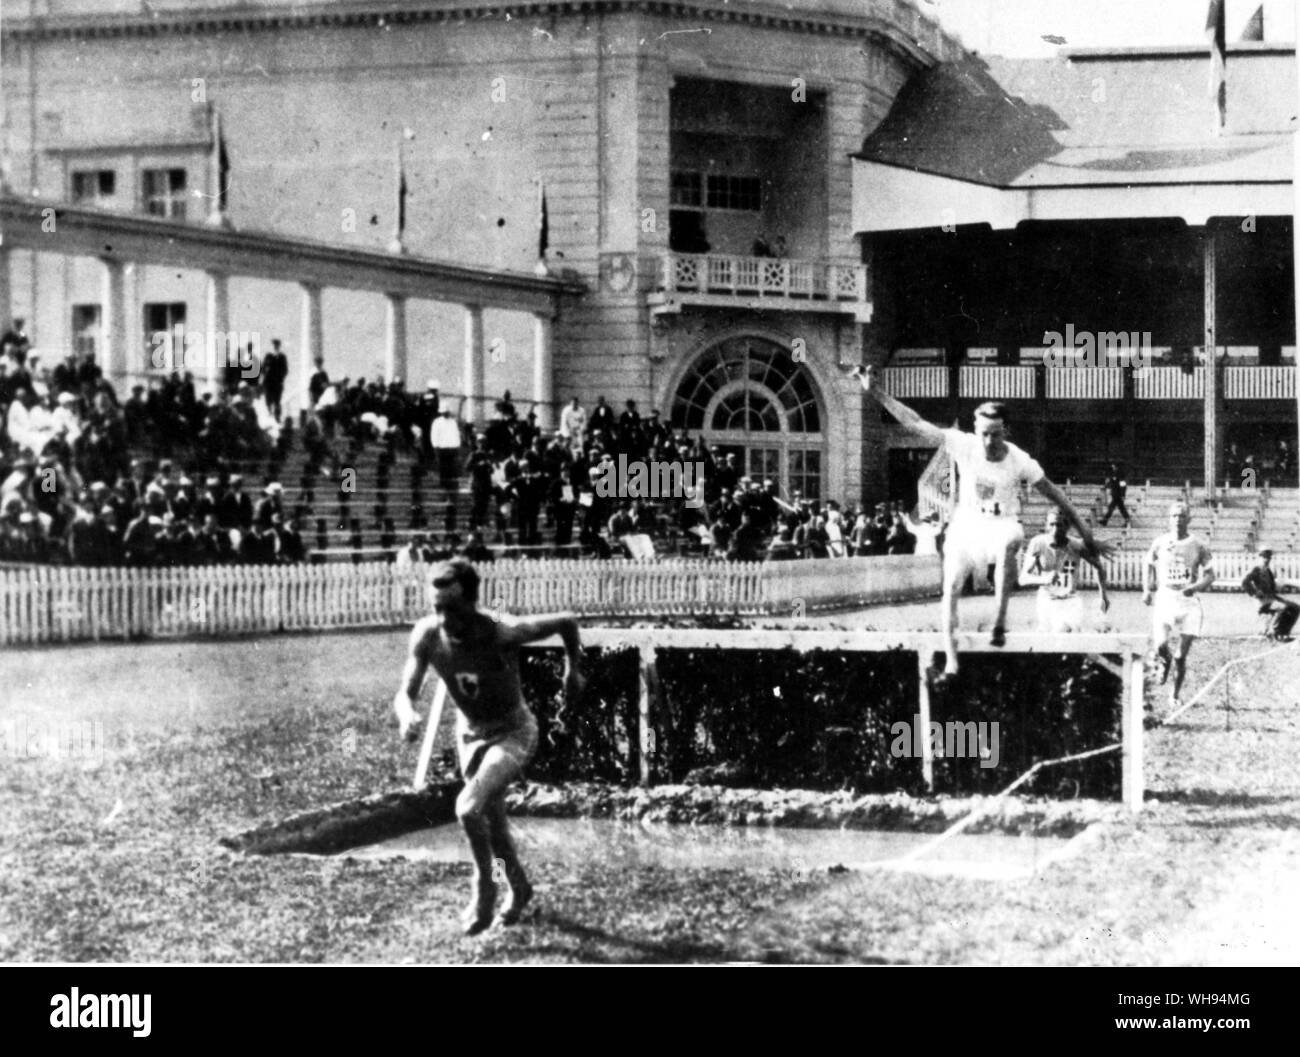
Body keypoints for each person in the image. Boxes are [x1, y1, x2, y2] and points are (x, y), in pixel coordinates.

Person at [854, 365, 1109, 683]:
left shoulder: (1020, 460)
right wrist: (874, 390)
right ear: (976, 430)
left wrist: (1089, 538)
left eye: (996, 433)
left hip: (1002, 523)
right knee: (949, 589)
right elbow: (915, 422)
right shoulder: (963, 444)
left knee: (1009, 542)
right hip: (967, 525)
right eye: (984, 433)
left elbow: (1061, 500)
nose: (989, 441)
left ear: (1007, 432)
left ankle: (999, 620)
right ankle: (951, 662)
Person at [392, 559, 585, 935]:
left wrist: (573, 668)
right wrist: (406, 714)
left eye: (452, 608)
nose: (444, 617)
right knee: (493, 826)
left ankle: (485, 886)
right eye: (437, 608)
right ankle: (520, 890)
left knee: (468, 808)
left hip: (513, 732)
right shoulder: (428, 635)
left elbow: (567, 621)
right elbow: (405, 692)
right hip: (471, 735)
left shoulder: (502, 631)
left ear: (472, 602)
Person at [1143, 501, 1215, 709]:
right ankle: (1164, 661)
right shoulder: (1160, 542)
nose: (1177, 520)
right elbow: (1148, 563)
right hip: (1166, 597)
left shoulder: (1198, 545)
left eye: (1182, 516)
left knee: (1181, 656)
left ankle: (1174, 695)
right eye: (1174, 516)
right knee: (1160, 645)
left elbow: (1211, 575)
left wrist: (1195, 587)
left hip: (1188, 602)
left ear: (1189, 519)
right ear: (1169, 519)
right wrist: (1147, 589)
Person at [1019, 507, 1111, 632]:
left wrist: (1103, 595)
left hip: (1070, 601)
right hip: (1047, 600)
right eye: (1052, 524)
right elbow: (1023, 578)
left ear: (1068, 527)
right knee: (1046, 641)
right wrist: (1043, 579)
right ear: (1046, 525)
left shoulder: (1076, 546)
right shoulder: (1038, 543)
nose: (1056, 529)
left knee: (1062, 630)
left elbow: (1098, 567)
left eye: (1060, 525)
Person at [1242, 548, 1299, 642]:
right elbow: (1244, 582)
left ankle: (1283, 633)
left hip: (1272, 598)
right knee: (1285, 607)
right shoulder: (1256, 569)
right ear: (1259, 557)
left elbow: (1271, 586)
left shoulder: (1268, 570)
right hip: (1263, 602)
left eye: (1268, 557)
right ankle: (1272, 631)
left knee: (1295, 607)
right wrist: (1255, 593)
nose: (1267, 559)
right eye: (1264, 557)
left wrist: (1280, 586)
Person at [1100, 463, 1131, 528]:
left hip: (1118, 494)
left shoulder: (1120, 474)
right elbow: (1111, 483)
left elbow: (1123, 485)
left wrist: (1123, 495)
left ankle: (1105, 521)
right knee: (1121, 508)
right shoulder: (1113, 474)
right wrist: (1106, 486)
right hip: (1115, 494)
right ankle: (1127, 521)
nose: (1113, 467)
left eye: (1114, 466)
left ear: (1117, 467)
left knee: (1112, 507)